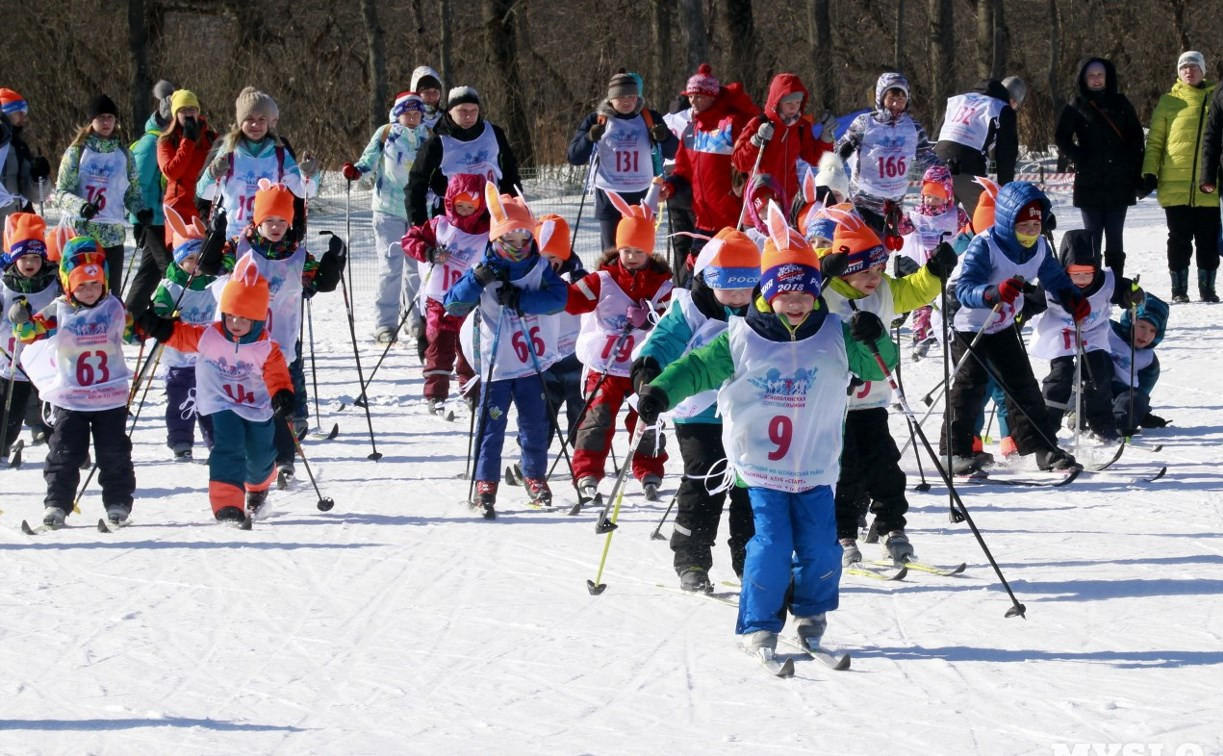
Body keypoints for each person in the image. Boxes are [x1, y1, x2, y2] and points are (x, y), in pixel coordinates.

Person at [634, 200, 895, 664]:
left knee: (821, 548)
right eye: (784, 294)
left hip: (816, 469)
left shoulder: (835, 333)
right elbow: (694, 368)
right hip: (762, 469)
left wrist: (875, 335)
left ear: (817, 293)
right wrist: (658, 391)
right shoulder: (741, 337)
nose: (794, 304)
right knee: (770, 544)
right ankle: (759, 623)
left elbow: (880, 366)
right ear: (767, 293)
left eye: (803, 295)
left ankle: (812, 617)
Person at [819, 206, 953, 567]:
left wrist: (935, 273)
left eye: (879, 268)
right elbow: (786, 304)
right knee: (846, 470)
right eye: (865, 271)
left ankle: (892, 525)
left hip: (874, 401)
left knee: (885, 466)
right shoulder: (823, 291)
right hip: (835, 406)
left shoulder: (884, 291)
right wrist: (819, 276)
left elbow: (912, 291)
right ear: (845, 269)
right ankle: (843, 532)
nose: (875, 277)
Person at [632, 227, 759, 592]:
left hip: (749, 407)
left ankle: (749, 558)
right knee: (705, 477)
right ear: (706, 278)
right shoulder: (689, 308)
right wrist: (648, 375)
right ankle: (691, 556)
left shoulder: (763, 307)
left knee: (750, 481)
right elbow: (663, 341)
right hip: (697, 408)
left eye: (745, 286)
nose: (737, 296)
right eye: (727, 286)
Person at [196, 179, 344, 483]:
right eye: (269, 221)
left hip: (281, 344)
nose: (276, 227)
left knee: (279, 402)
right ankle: (240, 456)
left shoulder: (298, 256)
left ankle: (285, 459)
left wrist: (334, 259)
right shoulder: (240, 247)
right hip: (242, 344)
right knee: (244, 402)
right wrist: (215, 232)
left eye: (282, 221)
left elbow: (322, 283)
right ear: (257, 220)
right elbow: (209, 265)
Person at [939, 182, 1084, 474]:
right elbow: (964, 288)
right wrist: (992, 292)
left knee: (1022, 385)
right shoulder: (985, 245)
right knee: (971, 386)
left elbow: (1054, 278)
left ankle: (1041, 448)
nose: (1031, 231)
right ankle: (955, 452)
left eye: (1036, 224)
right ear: (1007, 223)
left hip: (1001, 322)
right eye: (1024, 225)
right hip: (966, 322)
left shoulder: (1039, 247)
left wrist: (1072, 298)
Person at [139, 252, 293, 525]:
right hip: (221, 403)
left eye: (243, 319)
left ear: (257, 320)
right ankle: (227, 504)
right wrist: (159, 327)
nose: (235, 324)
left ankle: (257, 488)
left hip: (255, 407)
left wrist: (281, 394)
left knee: (260, 456)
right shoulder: (211, 335)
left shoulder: (265, 348)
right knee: (227, 447)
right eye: (230, 316)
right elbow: (182, 335)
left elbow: (277, 375)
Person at [444, 182, 568, 517]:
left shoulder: (539, 267)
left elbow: (560, 299)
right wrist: (477, 280)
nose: (517, 247)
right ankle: (486, 481)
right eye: (509, 241)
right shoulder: (484, 268)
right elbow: (453, 305)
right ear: (495, 240)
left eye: (523, 240)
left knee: (535, 424)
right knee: (491, 425)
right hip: (497, 366)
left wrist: (523, 299)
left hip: (531, 364)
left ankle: (534, 475)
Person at [10, 236, 137, 528]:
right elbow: (30, 333)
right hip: (71, 398)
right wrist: (21, 320)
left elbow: (135, 332)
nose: (90, 291)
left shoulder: (114, 307)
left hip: (110, 397)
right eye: (82, 286)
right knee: (64, 453)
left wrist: (154, 322)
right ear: (69, 285)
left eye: (95, 285)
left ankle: (118, 502)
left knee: (114, 453)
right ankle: (57, 504)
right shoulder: (60, 310)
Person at [566, 190, 672, 504]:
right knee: (598, 415)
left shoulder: (662, 283)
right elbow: (572, 301)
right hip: (606, 365)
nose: (631, 257)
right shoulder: (602, 279)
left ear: (649, 251)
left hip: (643, 364)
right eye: (626, 250)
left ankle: (649, 469)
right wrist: (553, 281)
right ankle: (587, 471)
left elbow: (674, 318)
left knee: (647, 414)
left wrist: (651, 316)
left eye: (638, 251)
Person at [1028, 229, 1143, 443]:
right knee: (1060, 375)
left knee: (1098, 373)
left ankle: (1102, 423)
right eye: (1075, 274)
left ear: (1096, 269)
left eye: (1087, 273)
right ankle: (1047, 425)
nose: (1082, 279)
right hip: (1060, 333)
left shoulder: (1107, 280)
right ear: (1065, 270)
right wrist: (1020, 314)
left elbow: (1126, 291)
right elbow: (1033, 301)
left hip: (1093, 332)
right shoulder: (1052, 283)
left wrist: (1133, 296)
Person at [344, 91, 431, 343]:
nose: (413, 118)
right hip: (388, 208)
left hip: (417, 210)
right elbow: (368, 161)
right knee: (391, 266)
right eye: (408, 114)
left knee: (416, 268)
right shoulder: (386, 133)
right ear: (398, 114)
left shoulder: (428, 135)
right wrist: (356, 172)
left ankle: (415, 320)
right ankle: (385, 324)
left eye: (417, 114)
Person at [400, 173, 486, 411]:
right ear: (450, 202)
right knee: (438, 346)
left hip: (470, 302)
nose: (466, 210)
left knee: (469, 347)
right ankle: (435, 394)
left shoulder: (485, 232)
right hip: (439, 300)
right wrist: (428, 252)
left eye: (471, 206)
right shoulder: (440, 225)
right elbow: (410, 239)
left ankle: (472, 391)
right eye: (460, 205)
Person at [567, 69, 678, 251]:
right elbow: (574, 157)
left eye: (632, 96)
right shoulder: (598, 119)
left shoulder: (649, 118)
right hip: (609, 194)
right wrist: (589, 138)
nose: (627, 101)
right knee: (611, 252)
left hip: (642, 192)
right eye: (621, 97)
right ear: (611, 98)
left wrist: (664, 137)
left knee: (640, 249)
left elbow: (674, 152)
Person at [658, 64, 760, 261]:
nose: (693, 101)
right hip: (703, 221)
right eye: (690, 96)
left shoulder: (732, 124)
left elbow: (751, 164)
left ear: (712, 96)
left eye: (699, 96)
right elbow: (683, 171)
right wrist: (670, 187)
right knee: (697, 280)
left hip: (733, 220)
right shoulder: (691, 130)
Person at [1054, 59, 1145, 278]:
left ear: (1108, 77)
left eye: (1100, 74)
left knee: (1115, 237)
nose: (1096, 79)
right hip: (1089, 181)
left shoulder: (1122, 103)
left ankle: (1116, 285)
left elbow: (1136, 138)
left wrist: (1132, 168)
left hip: (1118, 180)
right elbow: (1061, 136)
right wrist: (1079, 157)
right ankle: (1092, 284)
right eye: (1091, 75)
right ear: (1083, 79)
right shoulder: (1076, 104)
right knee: (1091, 238)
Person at [53, 94, 152, 296]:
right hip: (84, 236)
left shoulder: (124, 155)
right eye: (101, 117)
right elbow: (61, 193)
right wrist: (81, 207)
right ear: (92, 120)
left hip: (113, 237)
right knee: (85, 295)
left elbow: (132, 192)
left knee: (110, 297)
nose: (106, 122)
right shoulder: (78, 152)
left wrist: (140, 212)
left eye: (110, 117)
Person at [1141, 51, 1219, 303]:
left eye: (1195, 67)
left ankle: (1208, 288)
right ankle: (1179, 289)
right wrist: (1149, 172)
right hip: (1174, 185)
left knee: (1208, 239)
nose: (1189, 71)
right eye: (1184, 67)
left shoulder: (1215, 97)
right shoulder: (1168, 102)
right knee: (1179, 239)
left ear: (1203, 71)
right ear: (1178, 72)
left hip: (1208, 184)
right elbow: (1155, 143)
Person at [195, 87, 317, 237]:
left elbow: (304, 191)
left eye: (261, 120)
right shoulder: (229, 149)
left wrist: (309, 173)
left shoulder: (279, 152)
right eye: (250, 119)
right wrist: (213, 174)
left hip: (266, 237)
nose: (256, 125)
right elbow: (204, 193)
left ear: (269, 123)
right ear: (240, 122)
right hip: (232, 235)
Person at [836, 73, 941, 242]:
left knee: (885, 250)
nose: (896, 104)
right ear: (881, 98)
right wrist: (843, 150)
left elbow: (925, 155)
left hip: (894, 203)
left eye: (901, 99)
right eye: (891, 98)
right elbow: (838, 153)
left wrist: (944, 167)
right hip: (865, 200)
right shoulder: (865, 123)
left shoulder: (913, 126)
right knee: (865, 246)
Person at [149, 207, 218, 461]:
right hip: (179, 360)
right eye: (189, 259)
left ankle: (216, 442)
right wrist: (164, 313)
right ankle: (180, 440)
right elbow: (158, 308)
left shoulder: (212, 284)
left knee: (209, 402)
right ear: (179, 260)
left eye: (200, 257)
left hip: (207, 358)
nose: (195, 265)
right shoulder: (170, 285)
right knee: (181, 402)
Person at [407, 87, 522, 225]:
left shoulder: (494, 134)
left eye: (474, 111)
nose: (469, 116)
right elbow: (416, 185)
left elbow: (510, 173)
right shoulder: (437, 143)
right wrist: (419, 225)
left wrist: (515, 208)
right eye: (463, 111)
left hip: (491, 213)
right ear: (450, 110)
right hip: (452, 218)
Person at [0, 213, 59, 464]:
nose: (30, 263)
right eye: (24, 258)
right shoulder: (5, 282)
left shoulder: (52, 280)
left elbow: (62, 308)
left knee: (50, 407)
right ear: (15, 259)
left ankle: (62, 447)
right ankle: (2, 446)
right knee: (8, 408)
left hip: (45, 360)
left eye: (35, 257)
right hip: (11, 359)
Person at [731, 73, 836, 212]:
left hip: (790, 201)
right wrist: (755, 141)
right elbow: (739, 163)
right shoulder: (759, 123)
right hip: (761, 201)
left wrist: (826, 137)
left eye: (798, 103)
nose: (794, 108)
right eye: (789, 103)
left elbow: (814, 157)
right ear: (777, 101)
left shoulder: (801, 126)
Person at [898, 165, 968, 358]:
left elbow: (967, 234)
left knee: (948, 304)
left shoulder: (956, 215)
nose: (932, 202)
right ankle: (920, 339)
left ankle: (953, 336)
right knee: (923, 304)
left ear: (947, 196)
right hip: (923, 267)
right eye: (928, 197)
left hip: (949, 268)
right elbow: (902, 229)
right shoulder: (916, 215)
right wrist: (895, 218)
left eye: (937, 198)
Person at [124, 79, 178, 317]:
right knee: (171, 270)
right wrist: (138, 218)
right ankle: (169, 315)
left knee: (150, 271)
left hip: (167, 220)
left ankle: (130, 315)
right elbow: (138, 185)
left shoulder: (175, 141)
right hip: (152, 219)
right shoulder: (150, 143)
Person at [933, 77, 1024, 215]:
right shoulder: (1002, 108)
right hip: (967, 169)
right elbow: (1006, 155)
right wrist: (1005, 191)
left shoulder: (959, 99)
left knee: (937, 224)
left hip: (936, 168)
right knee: (989, 223)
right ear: (1013, 100)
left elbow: (939, 136)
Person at [537, 213, 588, 440]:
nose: (547, 264)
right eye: (542, 257)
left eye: (553, 257)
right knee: (539, 416)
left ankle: (582, 462)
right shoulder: (530, 278)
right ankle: (531, 463)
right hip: (544, 360)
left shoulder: (579, 278)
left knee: (581, 417)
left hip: (576, 359)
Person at [157, 89, 218, 245]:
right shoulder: (166, 140)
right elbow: (172, 172)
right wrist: (187, 141)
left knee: (202, 264)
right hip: (178, 209)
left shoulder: (211, 138)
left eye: (192, 109)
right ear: (175, 114)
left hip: (203, 209)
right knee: (183, 261)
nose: (188, 113)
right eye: (183, 110)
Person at [1108, 294, 1170, 434]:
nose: (1146, 335)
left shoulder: (1149, 361)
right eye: (1142, 326)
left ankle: (1121, 424)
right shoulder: (1109, 331)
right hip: (1094, 388)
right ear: (1131, 320)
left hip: (1121, 397)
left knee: (1133, 397)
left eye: (1153, 331)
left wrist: (1140, 413)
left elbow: (1142, 393)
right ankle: (1075, 413)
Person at [0, 88, 50, 225]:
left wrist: (39, 177)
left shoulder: (20, 147)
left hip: (14, 221)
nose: (24, 116)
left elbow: (34, 195)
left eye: (25, 111)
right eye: (18, 111)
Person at [410, 66, 445, 133]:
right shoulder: (407, 120)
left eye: (435, 92)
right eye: (426, 92)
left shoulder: (448, 119)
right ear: (416, 94)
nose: (432, 97)